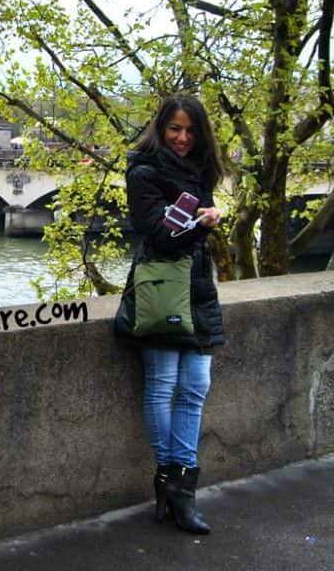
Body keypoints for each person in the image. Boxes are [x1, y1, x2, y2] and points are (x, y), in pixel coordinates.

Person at [117, 93, 226, 535]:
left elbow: (189, 230)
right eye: (174, 129)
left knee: (195, 386)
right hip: (161, 287)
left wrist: (206, 216)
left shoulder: (200, 170)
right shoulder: (143, 171)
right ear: (161, 129)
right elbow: (158, 238)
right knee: (163, 385)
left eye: (190, 130)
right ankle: (174, 484)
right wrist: (202, 224)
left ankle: (179, 482)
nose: (182, 138)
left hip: (196, 286)